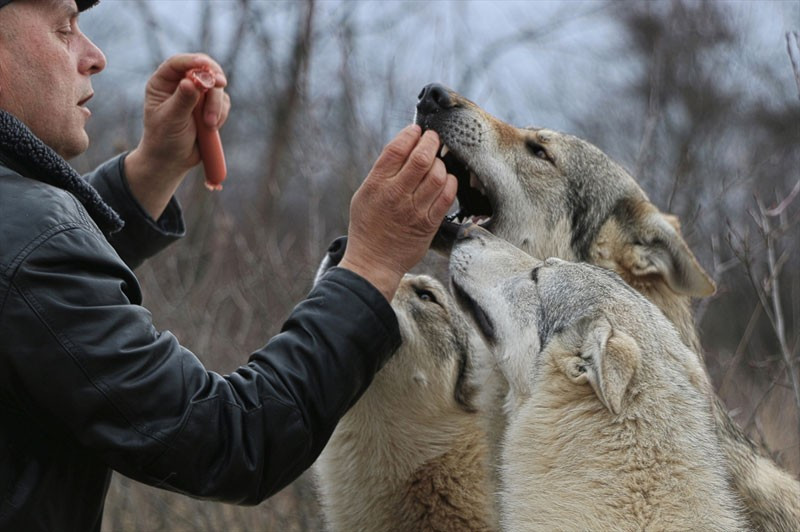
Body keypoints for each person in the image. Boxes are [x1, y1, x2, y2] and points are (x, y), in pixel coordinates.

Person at [0, 1, 457, 530]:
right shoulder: (30, 243)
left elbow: (31, 294)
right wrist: (371, 265)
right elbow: (232, 438)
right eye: (62, 28)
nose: (94, 55)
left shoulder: (24, 242)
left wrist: (153, 169)